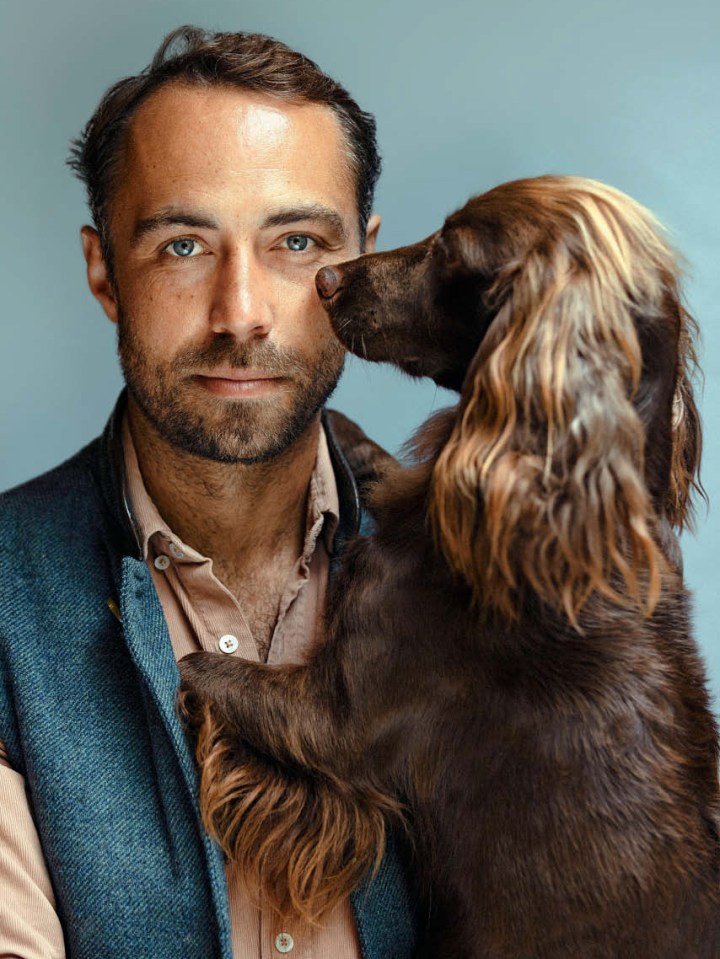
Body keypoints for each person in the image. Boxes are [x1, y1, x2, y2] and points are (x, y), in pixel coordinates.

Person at [0, 26, 418, 959]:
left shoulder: (474, 583)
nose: (241, 314)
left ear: (362, 270)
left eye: (296, 242)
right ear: (103, 267)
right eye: (185, 245)